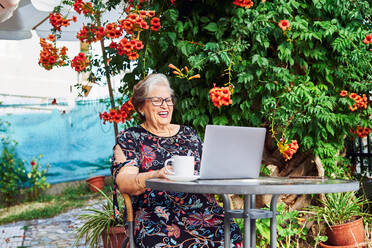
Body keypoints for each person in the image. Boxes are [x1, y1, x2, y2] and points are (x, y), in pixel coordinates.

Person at [111, 73, 242, 247]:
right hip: (157, 216)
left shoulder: (190, 134)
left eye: (168, 100)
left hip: (204, 213)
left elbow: (209, 170)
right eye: (157, 100)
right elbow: (124, 182)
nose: (165, 106)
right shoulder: (131, 138)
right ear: (141, 107)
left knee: (231, 233)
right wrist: (156, 174)